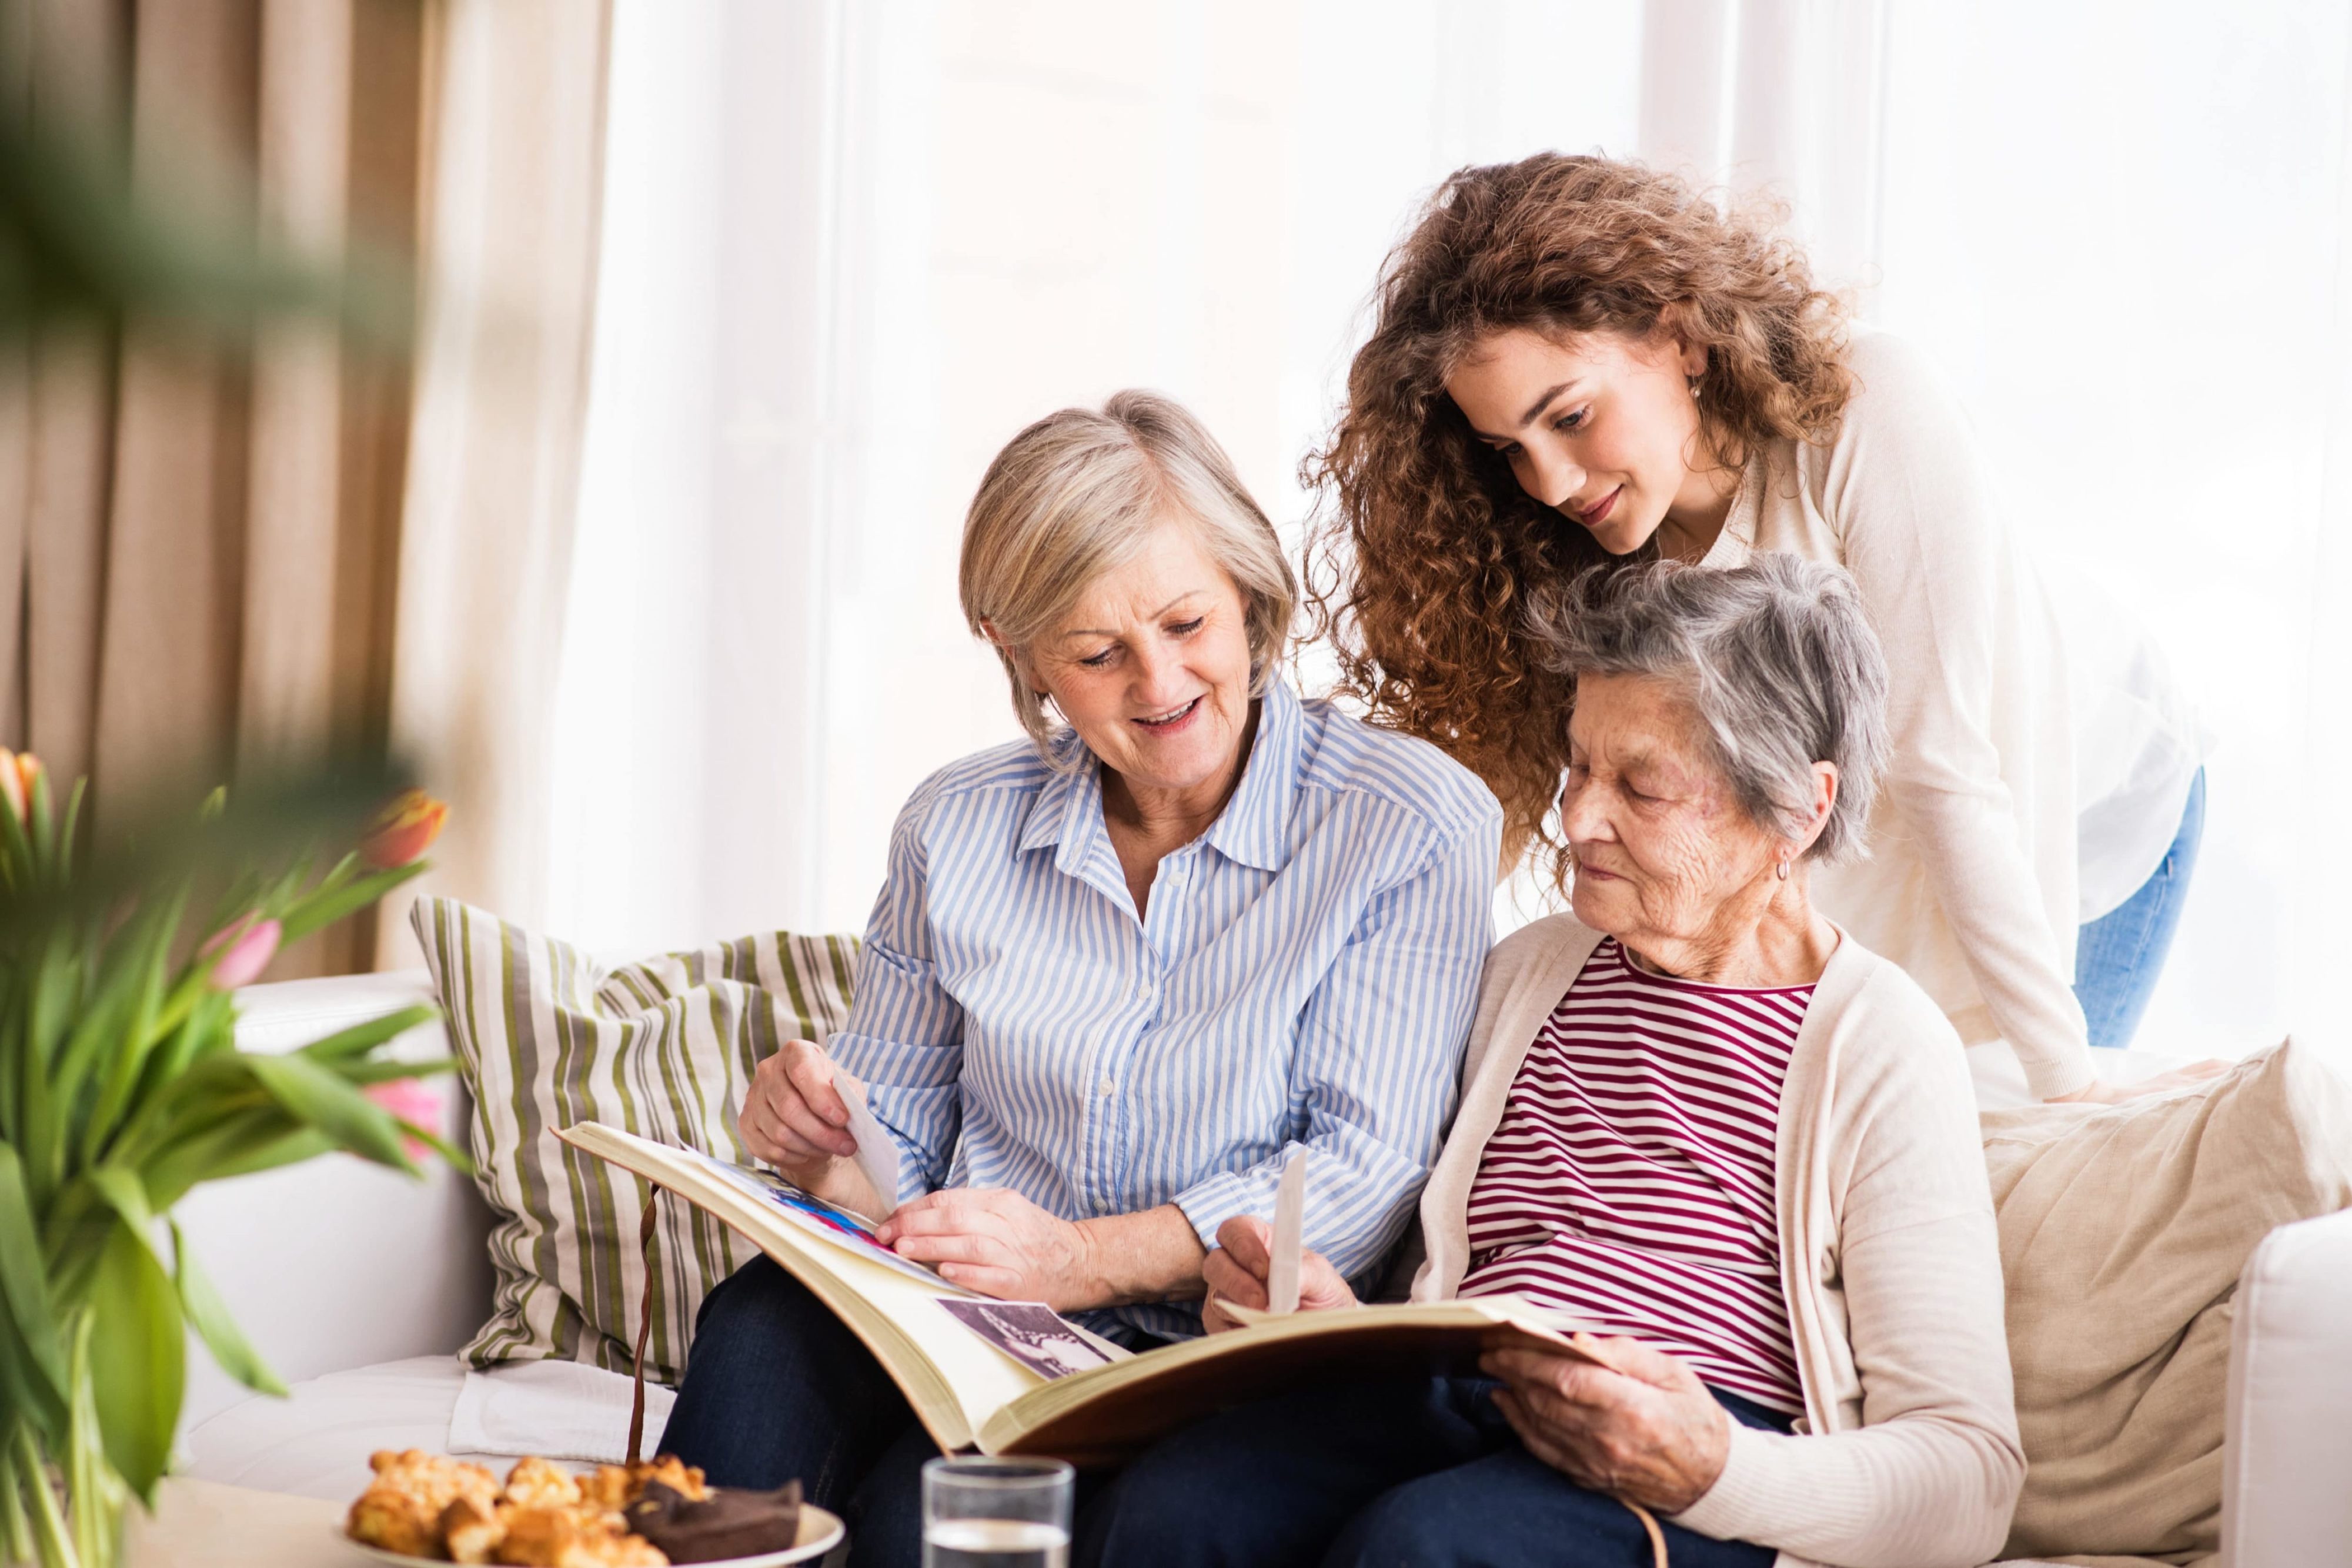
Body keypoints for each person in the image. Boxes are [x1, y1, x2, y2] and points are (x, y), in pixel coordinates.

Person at [660, 392, 1501, 1566]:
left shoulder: (1404, 821)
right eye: (1098, 653)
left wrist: (1077, 1258)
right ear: (1025, 659)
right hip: (976, 1324)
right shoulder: (954, 824)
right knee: (757, 1324)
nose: (1158, 681)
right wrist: (821, 1145)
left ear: (1249, 593)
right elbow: (894, 1135)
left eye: (1185, 621)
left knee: (918, 1524)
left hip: (1215, 1342)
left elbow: (1354, 1172)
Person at [1075, 556, 2024, 1568]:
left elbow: (1969, 1476)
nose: (1576, 819)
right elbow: (1431, 1280)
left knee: (1426, 1551)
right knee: (1175, 1509)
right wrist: (1331, 1314)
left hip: (1684, 1450)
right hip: (1459, 1391)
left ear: (1797, 810)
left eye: (1642, 786)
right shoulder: (1532, 971)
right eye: (1579, 766)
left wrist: (1716, 1470)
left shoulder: (1881, 1045)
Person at [1307, 151, 2213, 1097]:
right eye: (1511, 451)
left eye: (1570, 417)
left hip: (2084, 801)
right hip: (1896, 828)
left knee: (2021, 1143)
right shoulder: (1576, 548)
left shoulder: (1865, 408)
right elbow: (1491, 810)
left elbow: (1943, 766)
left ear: (1683, 337)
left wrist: (2074, 1089)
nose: (1552, 482)